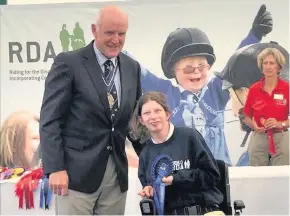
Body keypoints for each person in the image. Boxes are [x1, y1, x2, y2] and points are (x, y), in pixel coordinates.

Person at [125, 4, 273, 166]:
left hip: (219, 173)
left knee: (263, 148)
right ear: (174, 71)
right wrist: (113, 45)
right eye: (188, 68)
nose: (196, 72)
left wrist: (255, 34)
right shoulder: (164, 91)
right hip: (183, 174)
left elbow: (236, 63)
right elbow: (137, 69)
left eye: (201, 67)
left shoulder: (216, 90)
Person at [39, 5, 142, 215]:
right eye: (109, 33)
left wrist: (153, 157)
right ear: (94, 30)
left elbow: (134, 120)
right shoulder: (68, 63)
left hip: (116, 178)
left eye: (121, 33)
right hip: (75, 177)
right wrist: (55, 168)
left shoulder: (133, 67)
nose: (116, 39)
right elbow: (50, 119)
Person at [130, 91, 223, 215]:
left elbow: (212, 176)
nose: (153, 116)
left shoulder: (190, 137)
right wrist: (149, 190)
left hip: (202, 210)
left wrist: (176, 178)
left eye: (157, 111)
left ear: (167, 114)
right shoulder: (145, 154)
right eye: (147, 113)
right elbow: (150, 187)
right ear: (141, 120)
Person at [243, 48, 289, 166]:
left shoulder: (287, 88)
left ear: (278, 67)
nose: (268, 66)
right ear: (261, 66)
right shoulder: (254, 89)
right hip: (259, 137)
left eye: (272, 63)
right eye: (265, 63)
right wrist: (254, 125)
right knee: (257, 177)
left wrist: (280, 124)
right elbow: (246, 117)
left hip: (281, 138)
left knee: (280, 177)